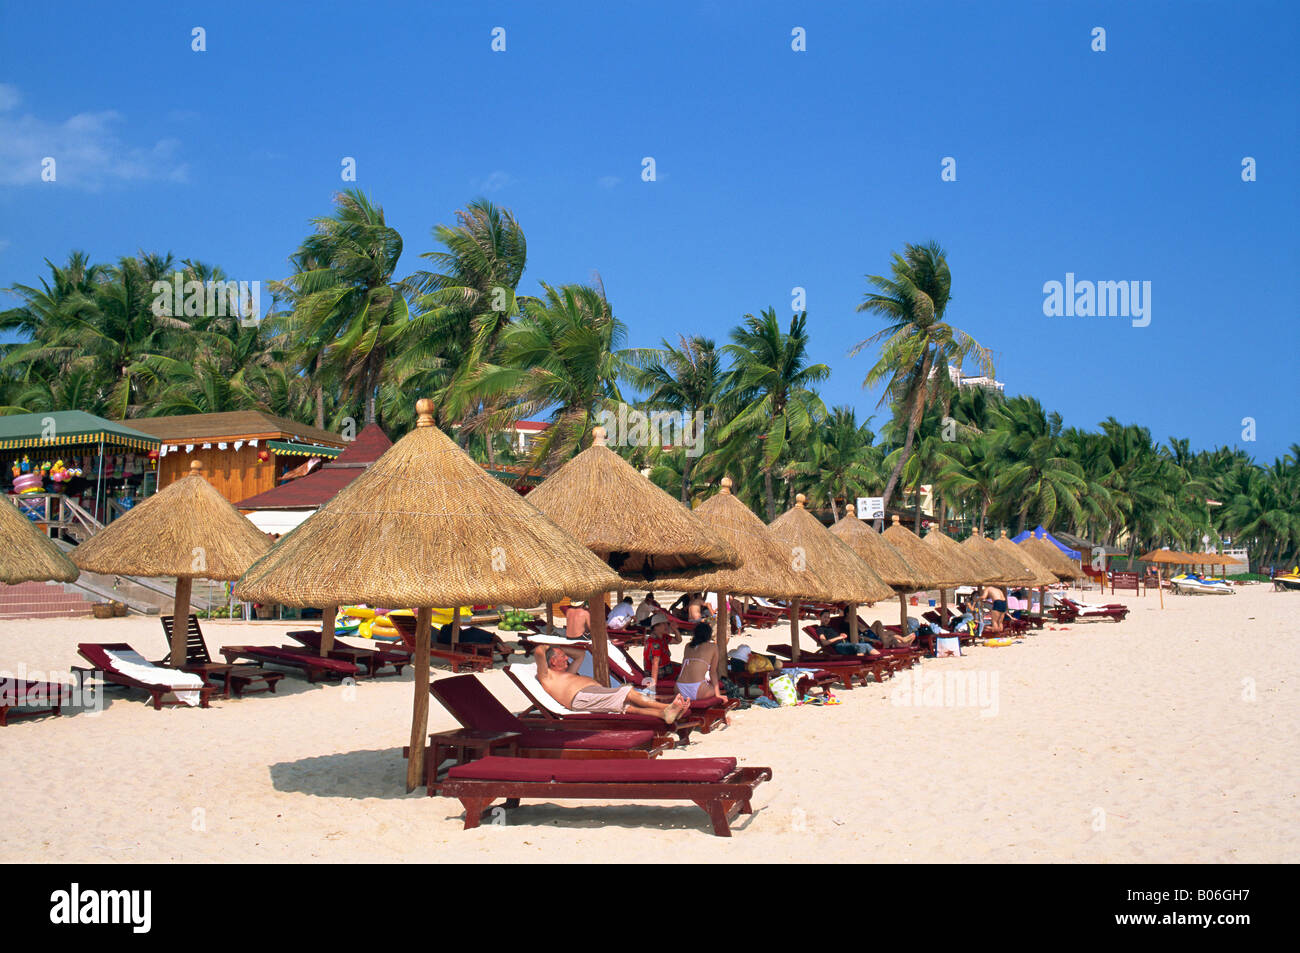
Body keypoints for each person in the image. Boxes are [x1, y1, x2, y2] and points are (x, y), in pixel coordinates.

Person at [533, 643, 687, 722]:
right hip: (582, 697)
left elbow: (580, 654)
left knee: (629, 708)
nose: (567, 658)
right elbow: (539, 651)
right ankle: (667, 708)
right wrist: (550, 645)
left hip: (590, 695)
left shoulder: (566, 673)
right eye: (562, 656)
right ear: (552, 661)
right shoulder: (548, 676)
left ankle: (662, 714)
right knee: (627, 691)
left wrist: (559, 649)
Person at [677, 622, 729, 720]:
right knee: (714, 689)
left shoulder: (688, 646)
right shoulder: (713, 647)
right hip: (698, 689)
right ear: (709, 634)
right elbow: (712, 672)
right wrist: (717, 694)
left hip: (679, 688)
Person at [812, 609, 881, 656]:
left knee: (867, 645)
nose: (827, 619)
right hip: (839, 647)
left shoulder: (829, 627)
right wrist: (839, 637)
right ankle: (860, 662)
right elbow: (824, 642)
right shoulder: (820, 629)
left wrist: (841, 635)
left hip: (845, 644)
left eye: (828, 617)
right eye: (825, 617)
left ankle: (880, 658)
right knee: (863, 646)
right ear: (820, 618)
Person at [642, 613, 677, 687]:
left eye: (666, 624)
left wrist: (675, 629)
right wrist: (653, 684)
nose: (667, 626)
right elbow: (655, 664)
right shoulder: (655, 642)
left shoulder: (663, 637)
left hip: (664, 668)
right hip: (660, 673)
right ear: (656, 627)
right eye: (663, 624)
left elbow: (678, 640)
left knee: (684, 666)